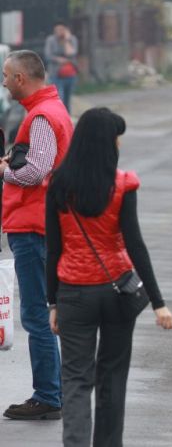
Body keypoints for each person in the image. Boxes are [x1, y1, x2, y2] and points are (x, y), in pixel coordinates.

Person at [46, 107, 172, 446]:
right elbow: (136, 245)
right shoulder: (122, 185)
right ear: (108, 143)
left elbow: (54, 248)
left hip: (73, 291)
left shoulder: (59, 184)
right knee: (112, 376)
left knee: (75, 378)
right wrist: (158, 303)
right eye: (117, 138)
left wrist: (52, 301)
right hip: (117, 291)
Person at [1, 50, 73, 420]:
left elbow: (35, 171)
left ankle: (47, 396)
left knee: (36, 316)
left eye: (6, 75)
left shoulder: (42, 116)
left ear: (20, 79)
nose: (3, 82)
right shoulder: (52, 109)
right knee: (45, 314)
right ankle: (53, 392)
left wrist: (4, 173)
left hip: (33, 226)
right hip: (41, 224)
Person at [44, 22, 79, 113]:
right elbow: (48, 55)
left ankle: (67, 118)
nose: (59, 32)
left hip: (70, 73)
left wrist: (67, 40)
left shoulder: (72, 39)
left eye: (61, 29)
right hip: (56, 73)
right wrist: (58, 59)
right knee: (59, 97)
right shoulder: (51, 40)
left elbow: (71, 53)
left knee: (68, 98)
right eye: (57, 30)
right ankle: (59, 116)